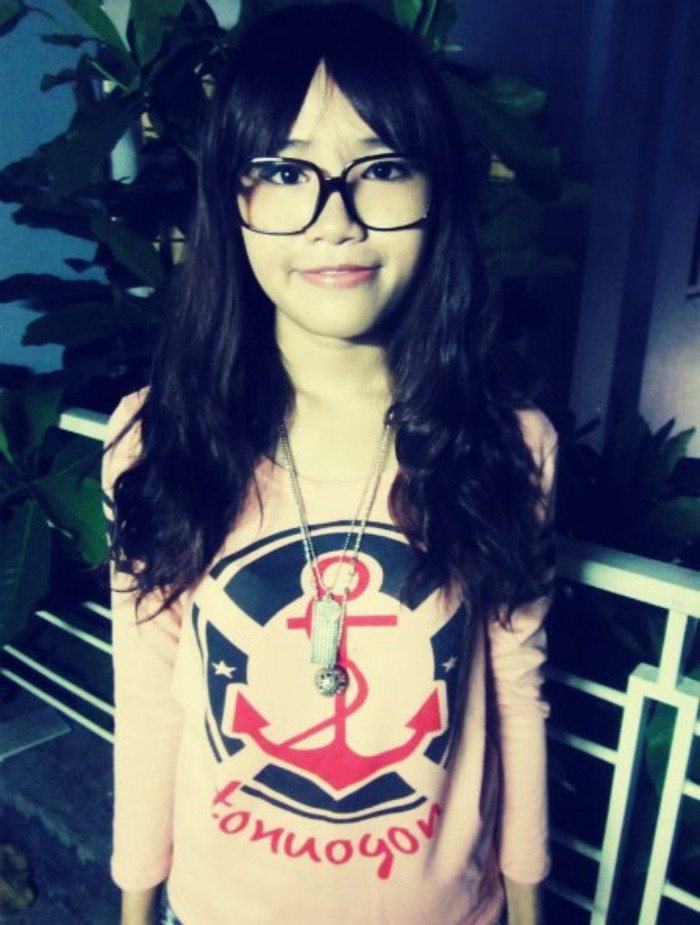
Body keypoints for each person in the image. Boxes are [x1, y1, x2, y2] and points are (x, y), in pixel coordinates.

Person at [103, 4, 557, 924]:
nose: (336, 221)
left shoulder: (509, 448)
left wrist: (528, 903)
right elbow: (150, 702)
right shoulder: (157, 440)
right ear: (232, 200)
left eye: (382, 168)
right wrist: (135, 908)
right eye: (283, 171)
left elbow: (516, 692)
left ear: (436, 192)